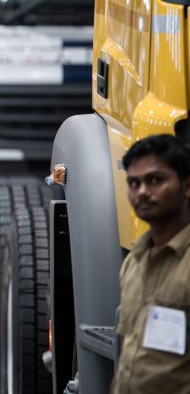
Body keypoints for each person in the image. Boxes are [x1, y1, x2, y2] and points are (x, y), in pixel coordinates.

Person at [113, 134, 190, 394]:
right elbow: (127, 352)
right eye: (134, 183)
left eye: (155, 180)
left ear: (187, 186)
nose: (142, 192)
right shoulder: (134, 261)